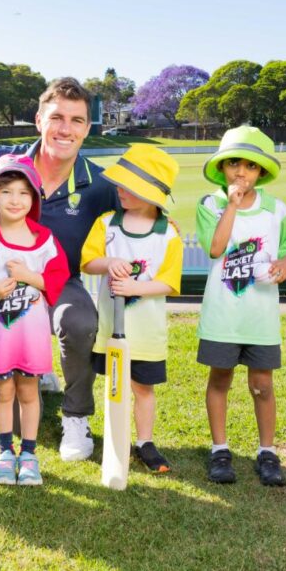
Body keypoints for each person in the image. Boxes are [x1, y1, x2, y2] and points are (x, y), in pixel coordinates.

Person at [0, 78, 118, 462]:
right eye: (57, 117)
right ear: (38, 120)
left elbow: (141, 207)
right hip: (4, 284)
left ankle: (76, 415)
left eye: (77, 120)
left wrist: (166, 222)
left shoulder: (99, 183)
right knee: (15, 421)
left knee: (80, 322)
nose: (66, 129)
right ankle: (40, 371)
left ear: (87, 127)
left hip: (58, 282)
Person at [196, 125, 286, 487]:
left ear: (261, 171)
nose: (241, 172)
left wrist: (283, 266)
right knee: (220, 379)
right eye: (234, 164)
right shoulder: (210, 204)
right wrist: (232, 205)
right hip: (223, 314)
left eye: (251, 166)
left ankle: (267, 452)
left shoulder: (277, 209)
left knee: (262, 384)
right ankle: (219, 449)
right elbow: (215, 248)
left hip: (261, 316)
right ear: (223, 167)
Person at [0, 154, 70, 485]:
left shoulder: (44, 241)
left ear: (34, 199)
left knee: (28, 393)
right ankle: (5, 452)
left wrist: (29, 276)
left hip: (32, 336)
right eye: (6, 191)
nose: (15, 200)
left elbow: (58, 277)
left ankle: (30, 454)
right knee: (4, 392)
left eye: (24, 192)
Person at [80, 144, 183, 473]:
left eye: (129, 186)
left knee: (143, 387)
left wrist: (136, 287)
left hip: (147, 332)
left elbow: (169, 282)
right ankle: (116, 437)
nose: (120, 191)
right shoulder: (107, 223)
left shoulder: (168, 234)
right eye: (120, 184)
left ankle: (145, 442)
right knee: (114, 385)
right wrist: (109, 261)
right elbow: (88, 262)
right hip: (111, 329)